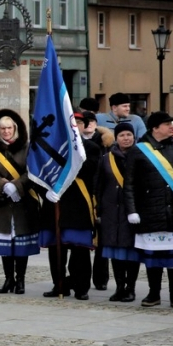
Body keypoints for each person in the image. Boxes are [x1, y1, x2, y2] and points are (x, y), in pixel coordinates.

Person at [123, 111, 173, 310]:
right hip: (149, 211)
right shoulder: (138, 150)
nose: (171, 127)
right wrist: (132, 210)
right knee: (154, 257)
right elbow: (130, 183)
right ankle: (153, 293)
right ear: (155, 128)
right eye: (167, 124)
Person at [38, 112, 101, 300]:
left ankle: (81, 287)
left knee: (80, 251)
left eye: (79, 122)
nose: (75, 125)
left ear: (83, 126)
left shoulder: (91, 148)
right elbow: (40, 174)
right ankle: (59, 285)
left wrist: (71, 157)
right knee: (56, 251)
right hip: (55, 203)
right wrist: (46, 193)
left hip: (79, 205)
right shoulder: (52, 148)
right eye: (71, 122)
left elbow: (90, 170)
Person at [0, 110, 41, 295]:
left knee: (21, 243)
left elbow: (33, 171)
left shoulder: (27, 147)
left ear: (15, 129)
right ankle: (9, 280)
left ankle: (20, 280)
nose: (6, 131)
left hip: (23, 201)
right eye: (3, 128)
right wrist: (3, 185)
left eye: (9, 128)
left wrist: (18, 186)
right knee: (6, 244)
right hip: (1, 201)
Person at [95, 122, 141, 302]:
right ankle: (120, 287)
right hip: (111, 212)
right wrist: (98, 208)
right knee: (115, 252)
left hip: (132, 212)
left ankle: (131, 288)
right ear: (116, 138)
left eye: (129, 135)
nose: (126, 138)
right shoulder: (107, 158)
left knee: (131, 252)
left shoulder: (140, 156)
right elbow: (98, 185)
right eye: (122, 135)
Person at [78, 109, 113, 290]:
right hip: (82, 195)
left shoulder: (105, 142)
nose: (89, 123)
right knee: (82, 241)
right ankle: (81, 278)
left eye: (91, 121)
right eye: (85, 121)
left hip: (99, 193)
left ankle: (101, 279)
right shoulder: (75, 142)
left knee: (102, 241)